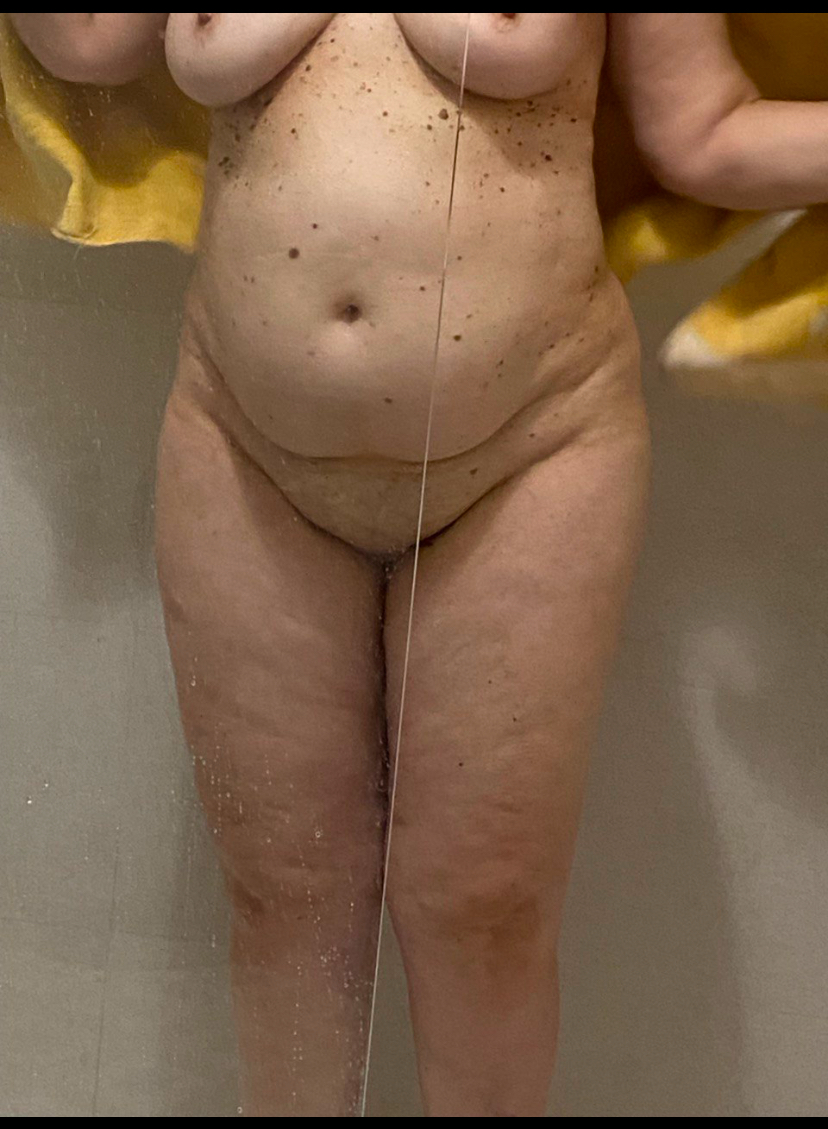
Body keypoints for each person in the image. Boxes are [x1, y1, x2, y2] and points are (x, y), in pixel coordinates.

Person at [10, 12, 828, 1117]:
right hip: (244, 441)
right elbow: (81, 43)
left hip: (533, 446)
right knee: (283, 898)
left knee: (483, 907)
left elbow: (709, 135)